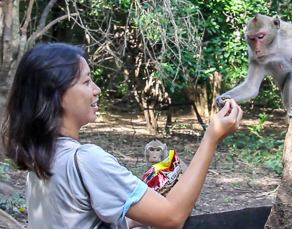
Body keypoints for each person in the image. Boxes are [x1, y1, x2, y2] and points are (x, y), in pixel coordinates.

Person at [0, 43, 243, 229]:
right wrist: (212, 137)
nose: (97, 90)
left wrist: (141, 204)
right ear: (57, 95)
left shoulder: (40, 165)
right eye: (86, 82)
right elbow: (173, 216)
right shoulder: (85, 160)